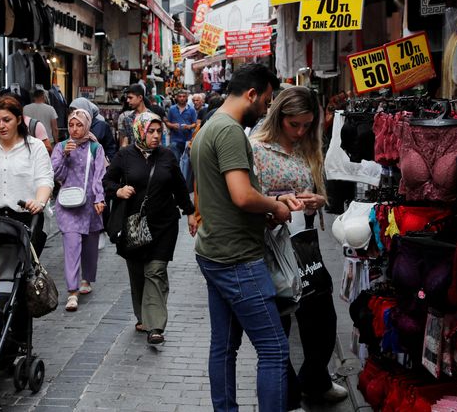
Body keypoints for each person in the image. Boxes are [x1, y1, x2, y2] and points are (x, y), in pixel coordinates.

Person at [191, 63, 301, 411]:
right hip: (237, 259)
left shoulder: (209, 127)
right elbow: (241, 195)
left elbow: (222, 198)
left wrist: (267, 208)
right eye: (267, 101)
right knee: (274, 348)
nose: (268, 109)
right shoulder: (229, 132)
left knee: (223, 347)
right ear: (252, 94)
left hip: (215, 251)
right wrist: (277, 207)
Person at [251, 87, 348, 406]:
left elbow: (317, 190)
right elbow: (248, 198)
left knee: (322, 318)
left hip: (305, 243)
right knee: (279, 324)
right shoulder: (257, 148)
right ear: (279, 118)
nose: (301, 130)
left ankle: (316, 380)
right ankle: (287, 395)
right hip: (272, 247)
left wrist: (318, 200)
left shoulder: (308, 146)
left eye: (307, 124)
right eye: (295, 124)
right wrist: (277, 203)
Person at [103, 112, 196, 345]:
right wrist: (118, 191)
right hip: (133, 226)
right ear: (140, 131)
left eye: (159, 132)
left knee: (155, 271)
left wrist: (191, 212)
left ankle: (155, 326)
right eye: (151, 131)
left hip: (164, 225)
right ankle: (142, 316)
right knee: (137, 275)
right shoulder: (125, 156)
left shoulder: (167, 156)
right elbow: (107, 181)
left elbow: (180, 187)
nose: (155, 136)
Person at [0, 96, 54, 254]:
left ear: (18, 120)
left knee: (23, 271)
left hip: (29, 217)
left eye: (6, 120)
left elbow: (45, 180)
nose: (1, 126)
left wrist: (39, 202)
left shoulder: (35, 147)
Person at [51, 109, 106, 311]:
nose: (74, 129)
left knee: (91, 246)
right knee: (72, 245)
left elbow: (99, 174)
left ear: (87, 126)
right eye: (71, 125)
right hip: (68, 205)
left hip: (90, 205)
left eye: (79, 125)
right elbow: (56, 174)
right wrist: (65, 156)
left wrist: (100, 198)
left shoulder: (95, 147)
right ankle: (72, 292)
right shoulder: (61, 147)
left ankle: (87, 279)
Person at [164, 88, 197, 162]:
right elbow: (167, 122)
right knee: (176, 161)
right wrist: (172, 125)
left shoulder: (191, 110)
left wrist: (189, 126)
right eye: (180, 96)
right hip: (175, 140)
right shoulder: (172, 109)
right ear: (176, 97)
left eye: (183, 96)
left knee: (186, 162)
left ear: (186, 97)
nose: (182, 98)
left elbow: (195, 124)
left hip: (187, 140)